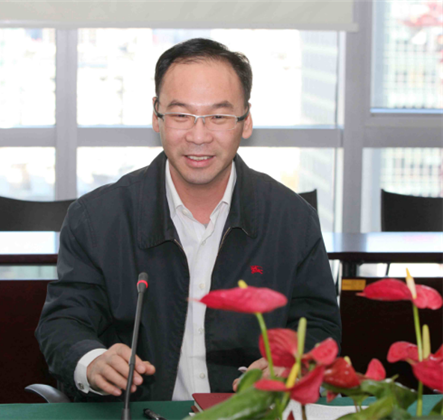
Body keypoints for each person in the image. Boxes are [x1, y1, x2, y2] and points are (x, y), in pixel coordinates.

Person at [36, 38, 341, 402]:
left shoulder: (292, 220)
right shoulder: (97, 218)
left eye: (218, 117)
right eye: (181, 115)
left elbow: (319, 325)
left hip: (249, 411)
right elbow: (64, 320)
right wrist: (91, 360)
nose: (198, 137)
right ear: (156, 117)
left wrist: (294, 363)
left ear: (245, 121)